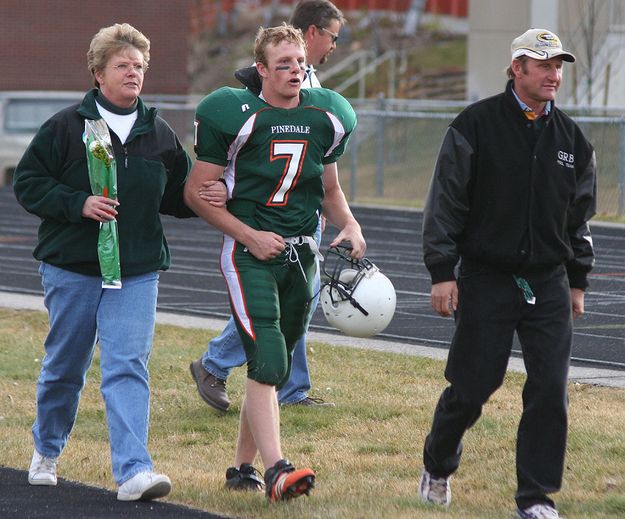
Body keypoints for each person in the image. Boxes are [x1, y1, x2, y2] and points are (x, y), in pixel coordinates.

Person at [12, 23, 225, 502]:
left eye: (140, 67)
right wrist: (78, 203)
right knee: (66, 366)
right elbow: (28, 183)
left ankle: (134, 472)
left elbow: (178, 196)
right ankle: (46, 450)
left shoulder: (159, 131)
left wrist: (210, 193)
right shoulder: (66, 127)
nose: (134, 73)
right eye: (123, 66)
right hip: (73, 268)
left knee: (127, 365)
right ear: (98, 73)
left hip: (137, 271)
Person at [419, 28, 596, 519]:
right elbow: (446, 203)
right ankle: (438, 461)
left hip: (549, 281)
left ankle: (536, 498)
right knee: (473, 388)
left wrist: (577, 279)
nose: (554, 75)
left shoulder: (572, 141)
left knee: (549, 390)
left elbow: (579, 218)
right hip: (486, 278)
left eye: (558, 66)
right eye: (543, 65)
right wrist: (442, 270)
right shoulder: (475, 125)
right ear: (517, 68)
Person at [184, 24, 364, 501]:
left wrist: (351, 224)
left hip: (302, 253)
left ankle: (242, 469)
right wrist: (248, 234)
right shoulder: (236, 114)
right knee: (267, 356)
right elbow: (195, 194)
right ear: (261, 69)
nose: (294, 70)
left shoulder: (326, 115)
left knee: (272, 367)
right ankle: (278, 470)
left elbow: (329, 190)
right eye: (282, 63)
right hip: (249, 254)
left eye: (299, 62)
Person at [189, 0, 346, 411]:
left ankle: (271, 389)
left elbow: (327, 181)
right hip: (256, 224)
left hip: (301, 217)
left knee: (293, 314)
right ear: (314, 32)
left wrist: (344, 220)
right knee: (267, 321)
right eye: (332, 36)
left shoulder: (325, 106)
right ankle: (241, 375)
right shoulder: (245, 99)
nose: (333, 45)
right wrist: (226, 185)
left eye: (298, 62)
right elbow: (249, 148)